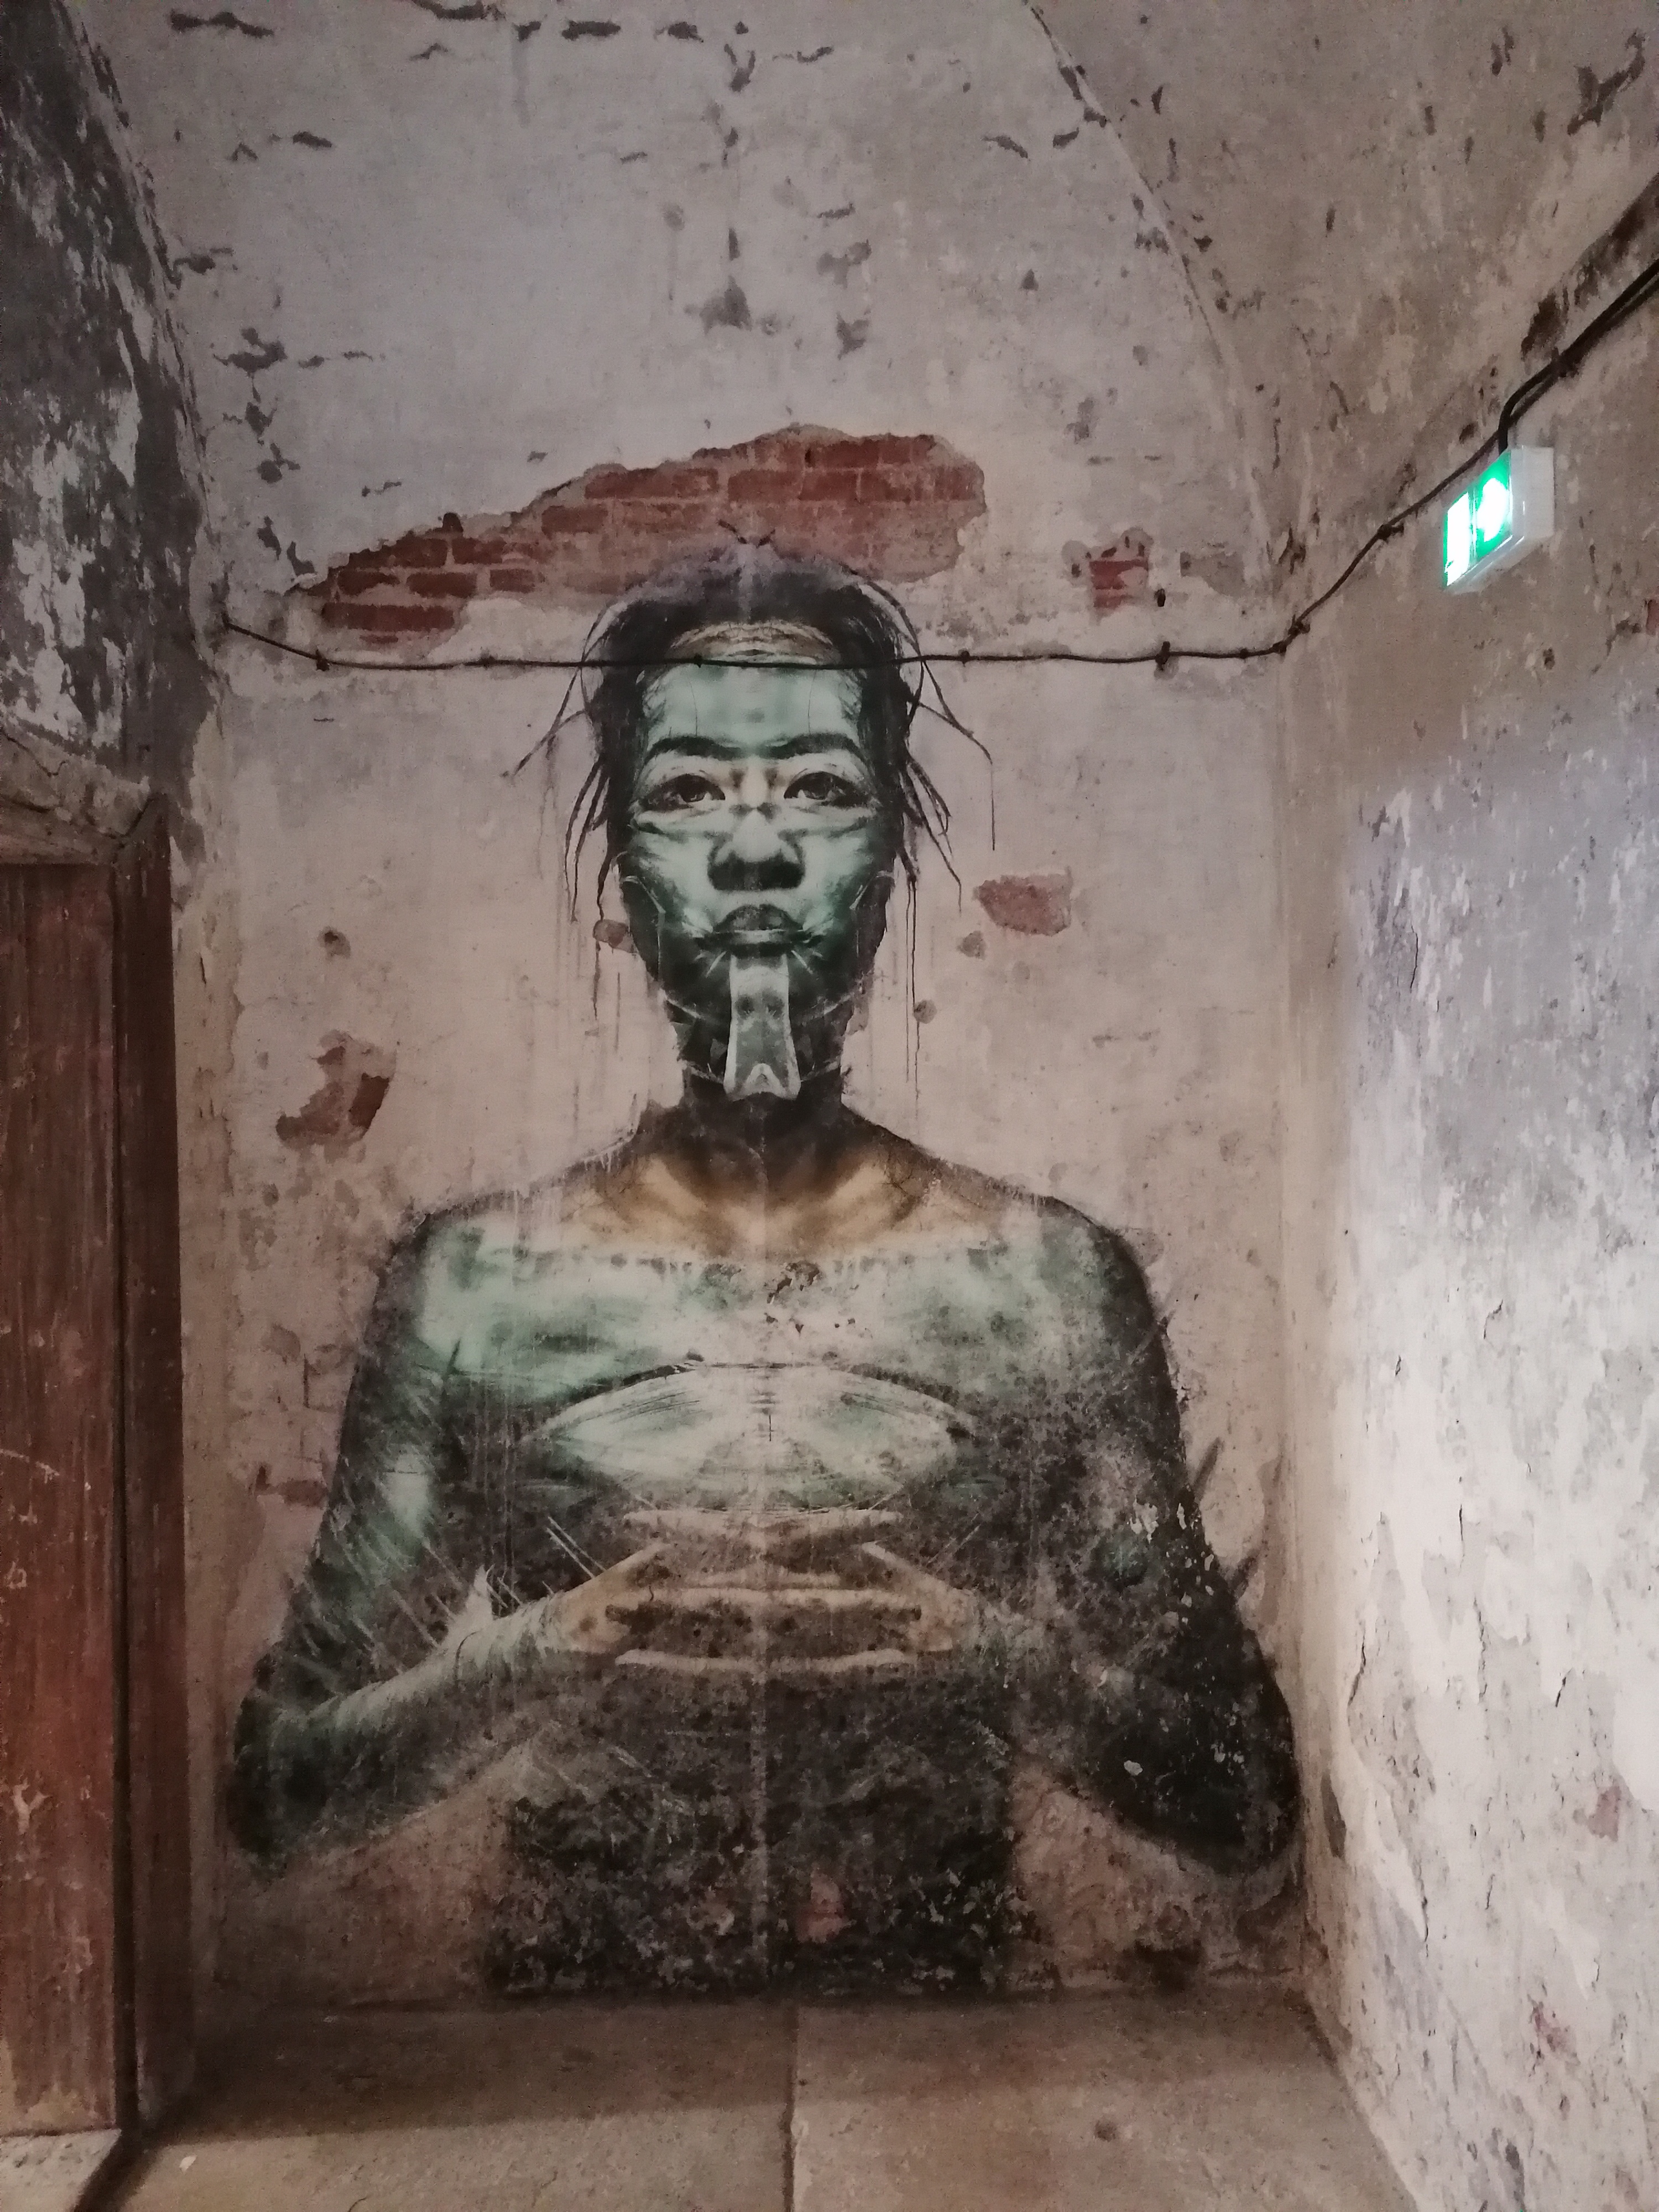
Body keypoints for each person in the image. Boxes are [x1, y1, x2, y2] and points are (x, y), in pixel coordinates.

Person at [231, 545, 1298, 1991]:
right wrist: (534, 1655)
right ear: (622, 865)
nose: (755, 849)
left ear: (890, 859)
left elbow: (1240, 1795)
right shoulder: (477, 1287)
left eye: (817, 788)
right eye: (687, 793)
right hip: (574, 2022)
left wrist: (999, 1662)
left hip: (952, 2022)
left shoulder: (1045, 1283)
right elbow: (282, 1787)